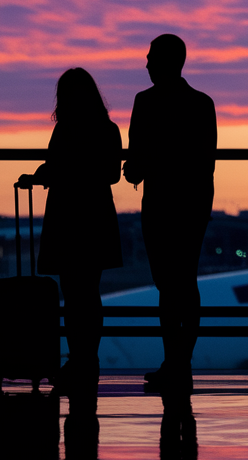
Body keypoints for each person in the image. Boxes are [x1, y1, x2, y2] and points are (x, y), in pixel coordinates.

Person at [18, 68, 123, 391]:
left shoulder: (64, 130)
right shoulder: (107, 129)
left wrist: (43, 175)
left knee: (73, 294)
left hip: (66, 215)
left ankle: (79, 358)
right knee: (89, 293)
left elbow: (55, 167)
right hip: (94, 215)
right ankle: (87, 359)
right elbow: (110, 174)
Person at [124, 34, 217, 390]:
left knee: (166, 285)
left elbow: (136, 165)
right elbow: (205, 161)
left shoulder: (145, 102)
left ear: (162, 61)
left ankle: (172, 360)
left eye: (149, 58)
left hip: (160, 204)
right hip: (193, 205)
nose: (145, 63)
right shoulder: (202, 103)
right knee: (186, 282)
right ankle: (182, 361)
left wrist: (135, 169)